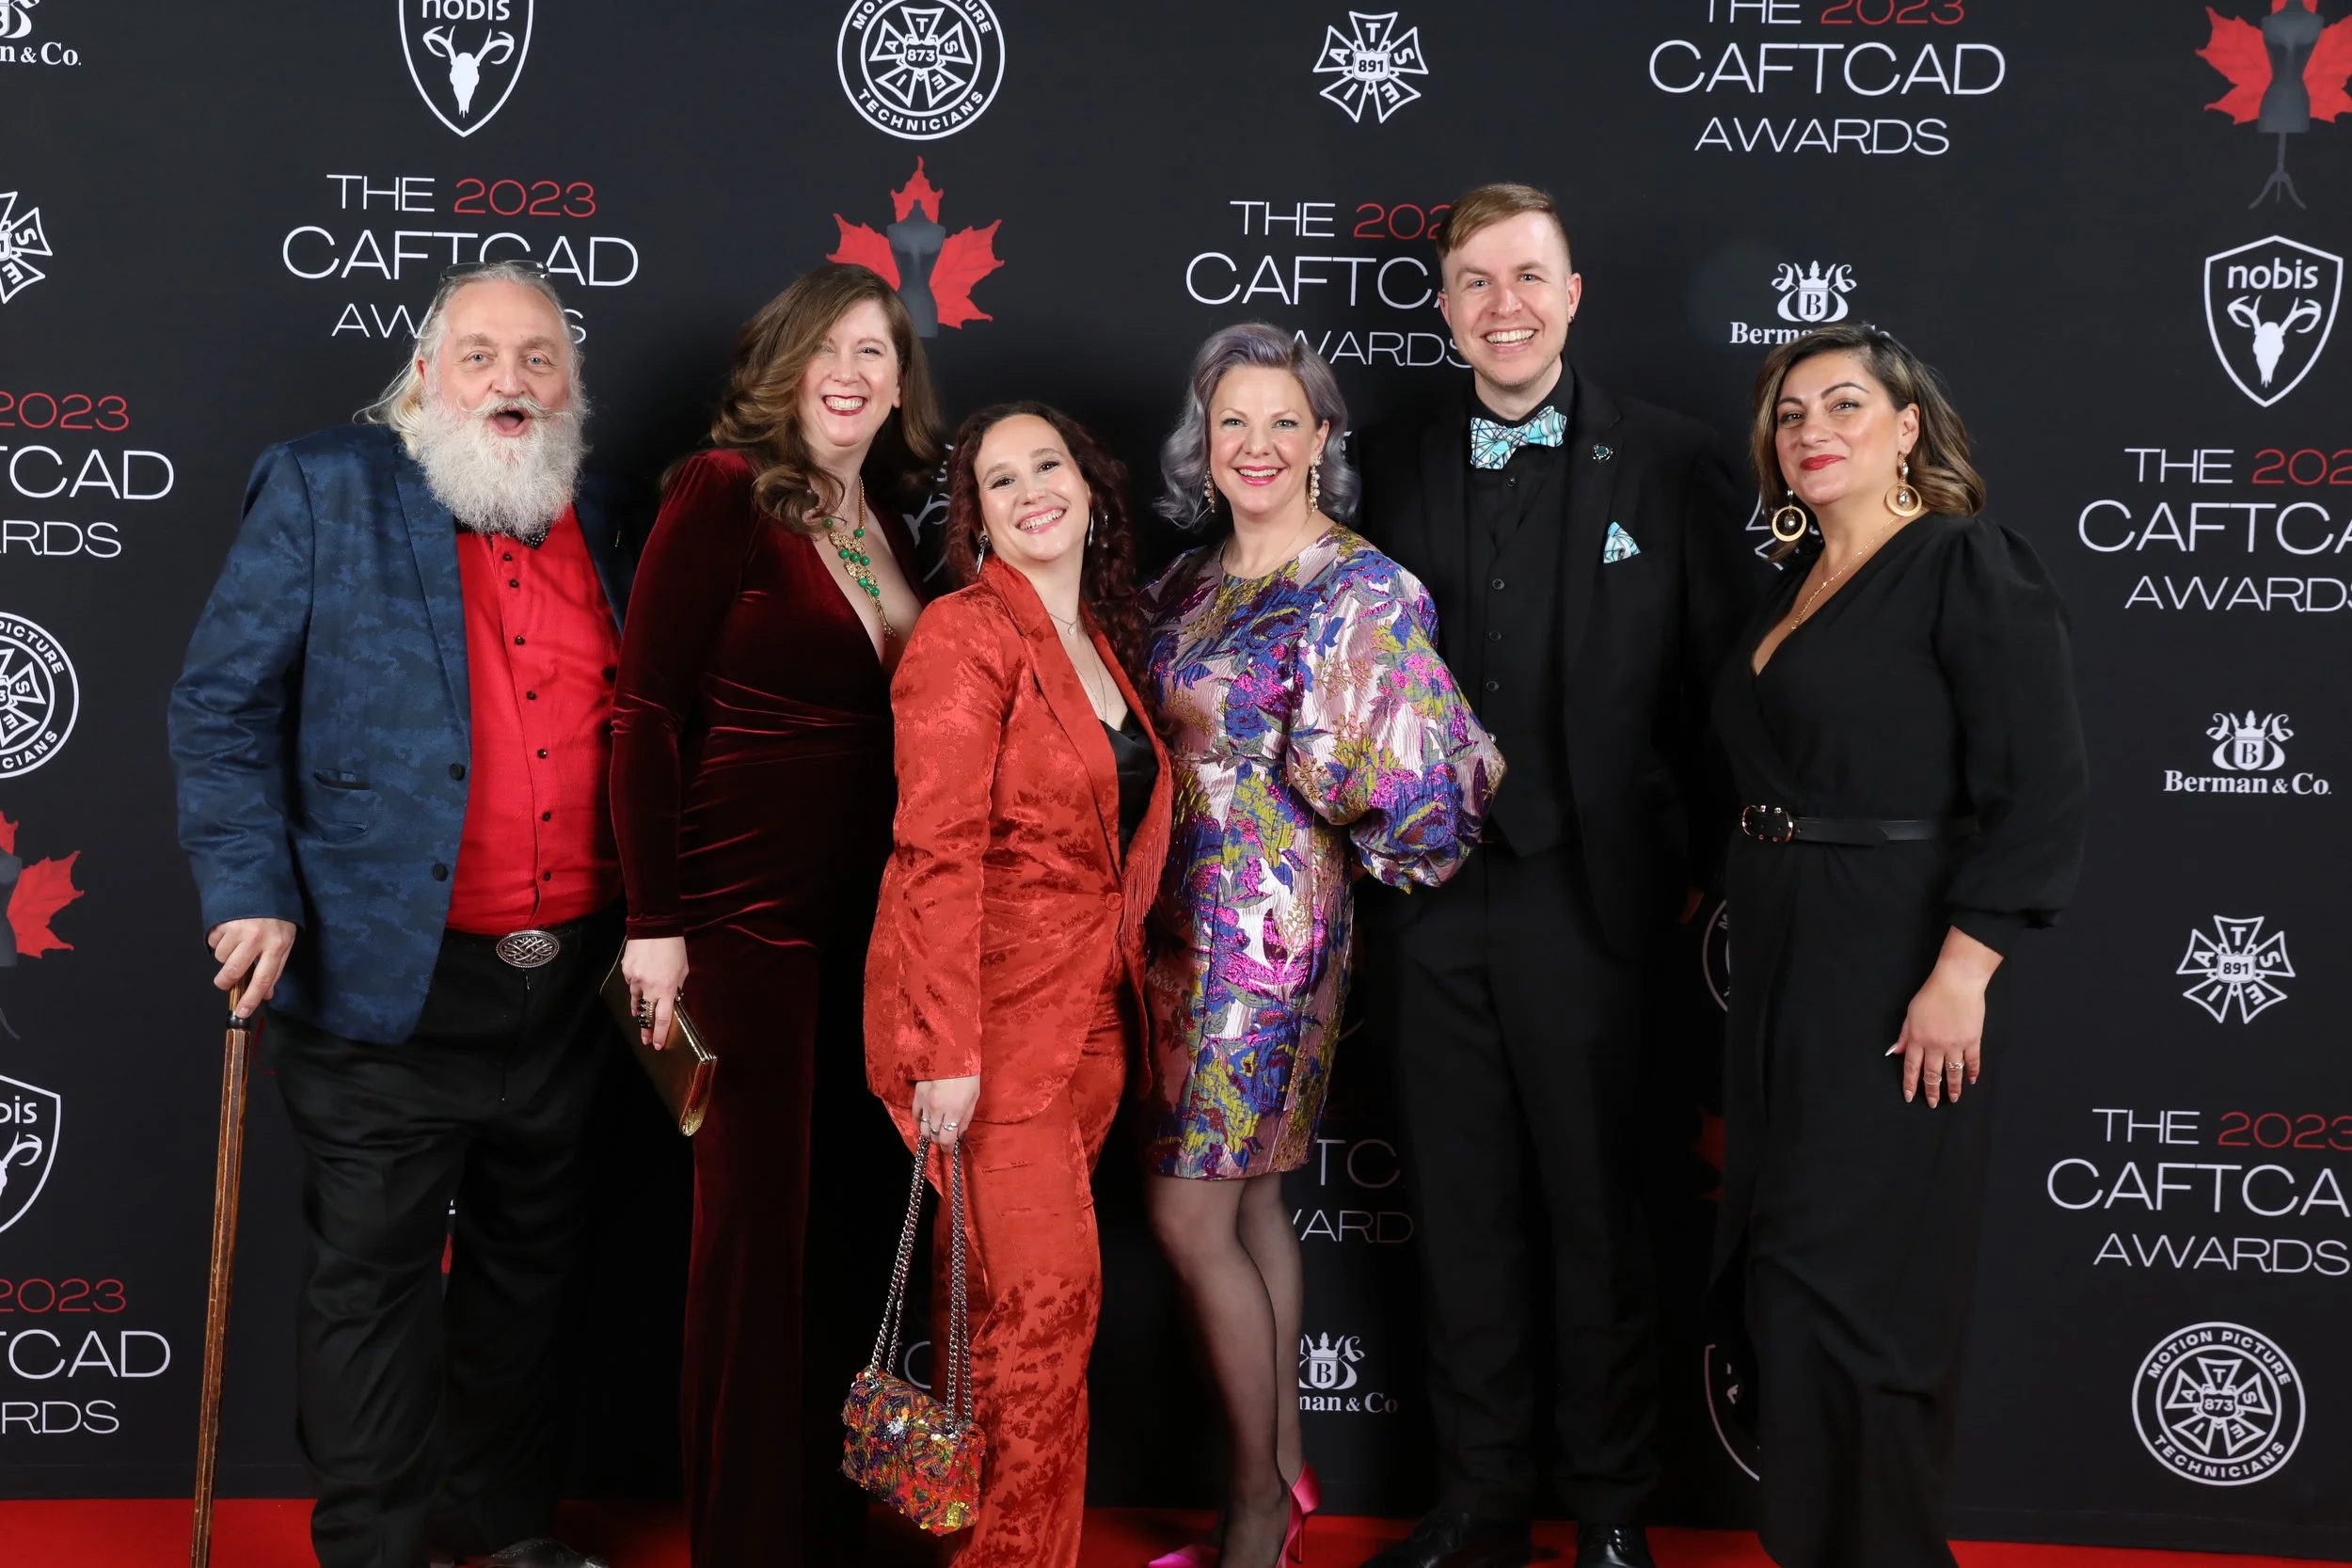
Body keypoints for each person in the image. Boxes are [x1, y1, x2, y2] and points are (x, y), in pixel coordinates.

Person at [170, 260, 628, 1568]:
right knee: (372, 1281)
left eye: (539, 358)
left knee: (528, 1275)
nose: (510, 381)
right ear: (425, 376)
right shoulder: (328, 484)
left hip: (567, 984)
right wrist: (251, 888)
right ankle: (375, 1547)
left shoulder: (604, 511)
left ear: (571, 385)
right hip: (386, 975)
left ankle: (501, 1533)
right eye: (479, 354)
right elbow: (221, 705)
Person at [1353, 182, 1753, 1568]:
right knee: (1460, 1213)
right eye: (1475, 280)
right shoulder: (1385, 459)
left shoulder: (1674, 460)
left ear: (1573, 295)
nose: (1503, 305)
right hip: (1425, 901)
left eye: (1528, 276)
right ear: (1444, 305)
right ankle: (1477, 1501)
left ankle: (1610, 1512)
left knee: (1601, 1216)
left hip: (1595, 904)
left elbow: (1725, 693)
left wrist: (1684, 867)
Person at [1714, 325, 2086, 1567]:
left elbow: (2040, 788)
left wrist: (1961, 972)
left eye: (1843, 404)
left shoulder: (1962, 560)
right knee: (1787, 1276)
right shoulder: (1793, 582)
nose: (1810, 430)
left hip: (1897, 955)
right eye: (1789, 414)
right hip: (1782, 954)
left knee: (1869, 1292)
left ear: (1907, 426)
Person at [1143, 325, 1503, 1568]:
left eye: (1282, 421)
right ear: (1204, 441)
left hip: (1265, 940)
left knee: (1188, 1214)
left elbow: (1424, 790)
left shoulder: (1362, 587)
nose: (1256, 445)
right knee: (1248, 1200)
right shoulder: (1185, 581)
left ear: (1322, 439)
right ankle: (1286, 1470)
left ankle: (1254, 1507)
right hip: (1166, 932)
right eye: (1232, 422)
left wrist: (1333, 780)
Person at [608, 263, 939, 1567]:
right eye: (827, 349)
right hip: (741, 920)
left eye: (876, 351)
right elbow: (644, 712)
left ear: (902, 383)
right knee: (752, 1243)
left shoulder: (888, 521)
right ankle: (748, 1540)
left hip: (871, 929)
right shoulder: (723, 489)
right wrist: (655, 919)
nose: (850, 373)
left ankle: (823, 1525)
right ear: (783, 366)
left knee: (848, 1227)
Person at [864, 403, 1172, 1568]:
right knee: (1044, 1313)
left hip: (1088, 1026)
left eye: (1050, 465)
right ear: (977, 518)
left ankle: (977, 1546)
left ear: (1091, 492)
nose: (1033, 489)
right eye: (1001, 479)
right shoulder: (964, 632)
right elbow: (932, 850)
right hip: (985, 1037)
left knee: (997, 1319)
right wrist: (944, 1048)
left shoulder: (1096, 635)